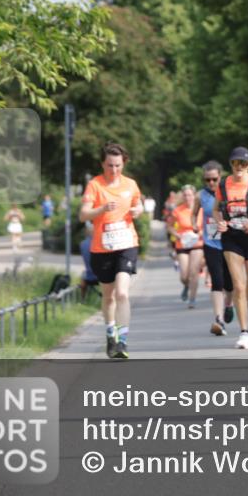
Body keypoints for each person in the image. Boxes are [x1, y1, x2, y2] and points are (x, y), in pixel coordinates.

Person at [79, 142, 143, 359]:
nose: (113, 170)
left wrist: (137, 211)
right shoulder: (95, 185)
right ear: (102, 164)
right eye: (109, 165)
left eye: (117, 165)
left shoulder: (131, 184)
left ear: (123, 163)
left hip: (127, 244)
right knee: (108, 296)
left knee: (123, 292)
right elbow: (83, 215)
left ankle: (122, 341)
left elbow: (138, 205)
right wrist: (102, 209)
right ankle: (110, 333)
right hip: (102, 247)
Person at [214, 147, 248, 349]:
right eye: (236, 163)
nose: (239, 167)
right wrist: (220, 222)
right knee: (238, 285)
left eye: (243, 163)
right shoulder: (223, 184)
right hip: (231, 237)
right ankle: (244, 332)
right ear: (231, 164)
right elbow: (216, 209)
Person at [192, 161, 234, 336]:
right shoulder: (200, 195)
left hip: (231, 242)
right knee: (217, 281)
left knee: (230, 283)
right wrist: (194, 225)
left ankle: (228, 304)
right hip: (211, 243)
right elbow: (193, 214)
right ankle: (219, 320)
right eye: (207, 179)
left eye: (214, 179)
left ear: (220, 177)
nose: (210, 183)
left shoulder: (228, 192)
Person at [168, 185, 204, 309]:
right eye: (185, 195)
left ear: (194, 196)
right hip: (182, 244)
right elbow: (170, 226)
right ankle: (186, 285)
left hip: (197, 243)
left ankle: (192, 299)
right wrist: (177, 235)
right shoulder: (177, 210)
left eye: (190, 195)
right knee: (184, 275)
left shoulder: (201, 210)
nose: (188, 197)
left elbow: (208, 225)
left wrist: (201, 233)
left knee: (194, 272)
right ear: (182, 197)